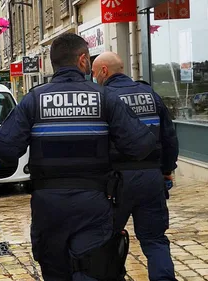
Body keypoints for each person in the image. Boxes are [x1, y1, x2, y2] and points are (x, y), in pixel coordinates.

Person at [0, 33, 157, 281]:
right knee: (93, 268)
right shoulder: (104, 97)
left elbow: (4, 147)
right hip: (93, 203)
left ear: (53, 63)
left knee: (55, 273)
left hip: (48, 206)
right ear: (82, 60)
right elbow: (142, 144)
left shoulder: (34, 100)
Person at [92, 51, 179, 281]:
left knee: (106, 240)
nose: (93, 78)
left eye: (94, 73)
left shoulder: (103, 97)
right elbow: (170, 137)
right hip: (151, 178)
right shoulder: (150, 94)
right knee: (155, 240)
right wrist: (167, 171)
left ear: (104, 71)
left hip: (116, 182)